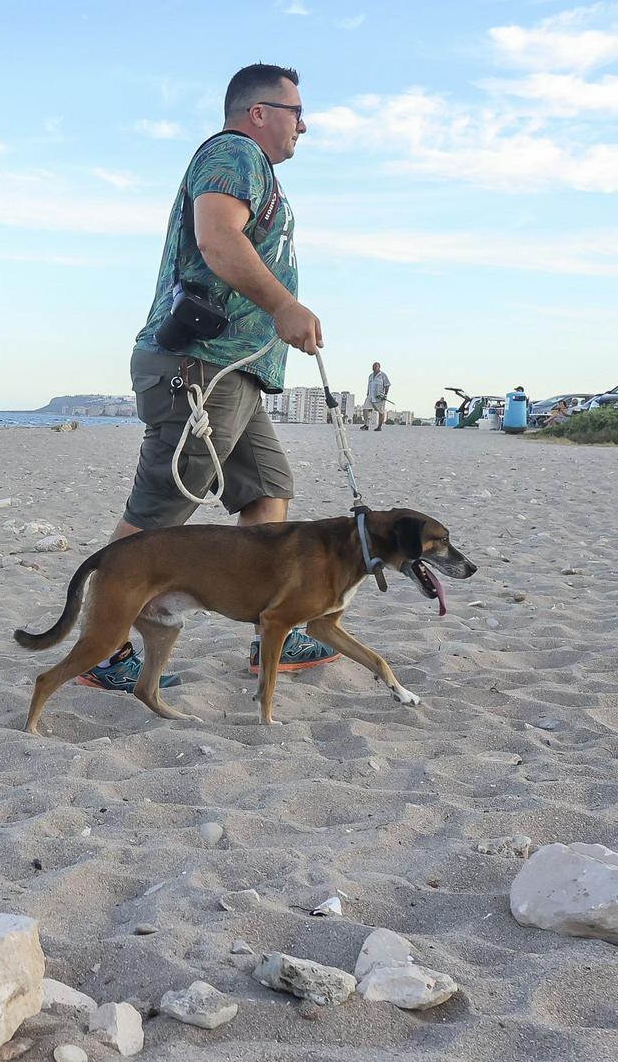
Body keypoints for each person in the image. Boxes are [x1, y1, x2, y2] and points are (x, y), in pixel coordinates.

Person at [83, 62, 338, 697]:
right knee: (161, 510)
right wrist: (283, 305)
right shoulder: (235, 154)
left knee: (266, 491)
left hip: (235, 371)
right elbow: (218, 237)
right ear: (258, 113)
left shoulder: (255, 167)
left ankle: (272, 633)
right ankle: (103, 647)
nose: (303, 125)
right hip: (200, 367)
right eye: (295, 112)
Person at [362, 362, 391, 431]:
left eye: (376, 366)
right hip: (370, 396)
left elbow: (387, 385)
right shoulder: (370, 376)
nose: (374, 368)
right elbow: (369, 385)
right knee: (365, 408)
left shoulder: (383, 375)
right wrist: (367, 393)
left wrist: (385, 395)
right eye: (373, 366)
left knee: (381, 411)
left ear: (379, 367)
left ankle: (379, 427)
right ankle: (366, 425)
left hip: (379, 397)